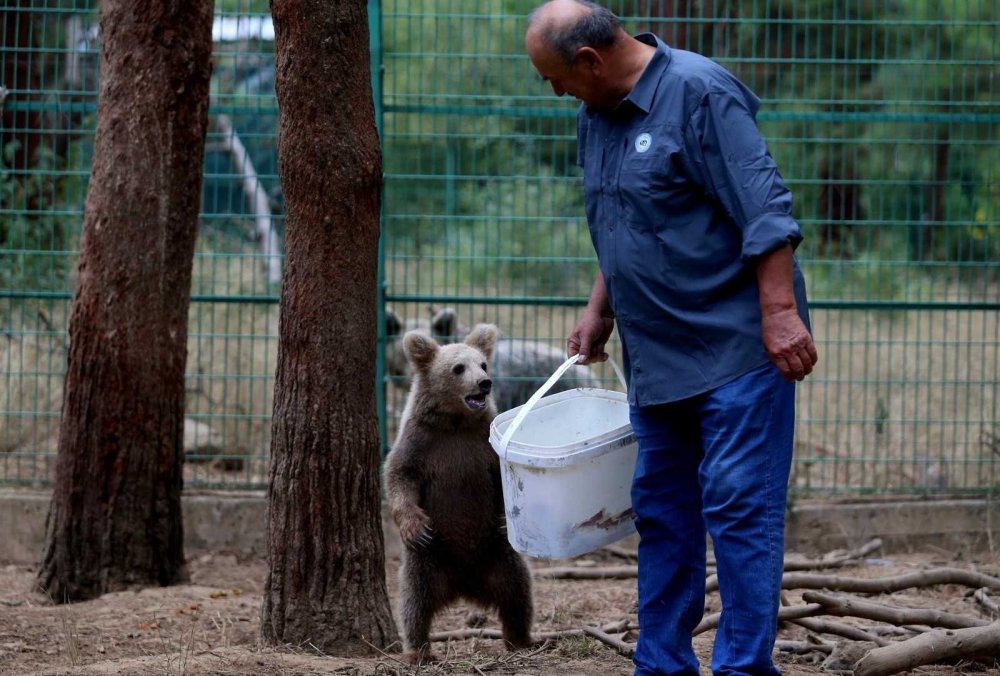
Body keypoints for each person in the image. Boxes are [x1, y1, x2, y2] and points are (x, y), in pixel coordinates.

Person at [525, 2, 819, 675]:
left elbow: (767, 209)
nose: (554, 90)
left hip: (738, 349)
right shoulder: (595, 115)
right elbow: (621, 214)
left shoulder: (701, 93)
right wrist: (601, 308)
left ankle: (744, 667)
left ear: (590, 61)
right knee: (662, 511)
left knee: (739, 507)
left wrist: (779, 312)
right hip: (657, 358)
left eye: (555, 76)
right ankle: (661, 664)